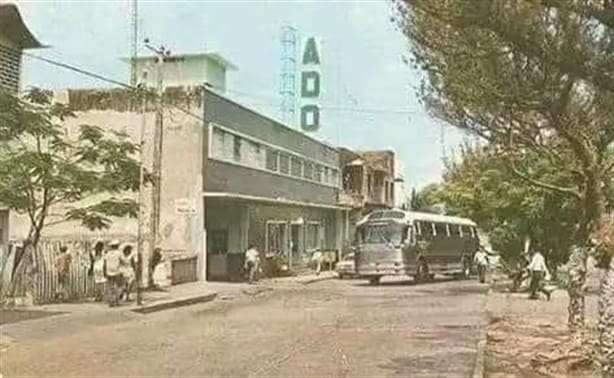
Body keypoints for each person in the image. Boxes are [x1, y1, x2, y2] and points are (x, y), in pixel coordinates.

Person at [104, 240, 123, 307]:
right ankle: (117, 300)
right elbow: (123, 261)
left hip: (109, 272)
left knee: (110, 287)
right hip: (117, 271)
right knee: (119, 286)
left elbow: (105, 263)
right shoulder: (119, 253)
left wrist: (105, 272)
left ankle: (111, 301)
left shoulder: (108, 254)